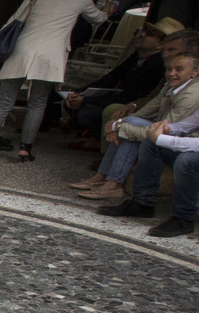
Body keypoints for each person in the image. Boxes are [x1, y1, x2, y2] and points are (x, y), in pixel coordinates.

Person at [0, 0, 108, 160]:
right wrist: (110, 11)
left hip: (23, 47)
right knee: (37, 102)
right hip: (51, 53)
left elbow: (14, 19)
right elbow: (97, 18)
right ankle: (26, 147)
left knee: (4, 100)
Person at [72, 51, 199, 201]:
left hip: (179, 143)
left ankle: (113, 182)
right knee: (130, 123)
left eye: (179, 69)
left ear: (195, 73)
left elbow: (167, 132)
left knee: (129, 130)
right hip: (163, 134)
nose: (172, 73)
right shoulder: (170, 87)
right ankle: (104, 176)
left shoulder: (192, 94)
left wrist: (120, 128)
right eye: (169, 69)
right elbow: (144, 112)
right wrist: (118, 123)